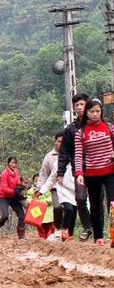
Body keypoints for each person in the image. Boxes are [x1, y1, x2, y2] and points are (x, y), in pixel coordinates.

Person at [73, 97, 114, 246]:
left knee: (112, 203)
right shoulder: (80, 133)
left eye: (98, 111)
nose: (96, 114)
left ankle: (113, 234)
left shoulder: (109, 127)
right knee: (96, 206)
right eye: (92, 111)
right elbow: (78, 155)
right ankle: (98, 237)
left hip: (110, 171)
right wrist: (79, 174)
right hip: (92, 174)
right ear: (87, 112)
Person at [57, 93, 93, 241]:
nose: (79, 108)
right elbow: (64, 152)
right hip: (79, 170)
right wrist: (60, 171)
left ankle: (100, 233)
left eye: (82, 104)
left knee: (97, 200)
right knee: (80, 198)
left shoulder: (96, 125)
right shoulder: (70, 130)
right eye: (76, 105)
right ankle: (87, 227)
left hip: (97, 167)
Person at [35, 131, 64, 229]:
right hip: (55, 187)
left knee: (69, 209)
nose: (60, 144)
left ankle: (67, 230)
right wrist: (39, 187)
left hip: (68, 186)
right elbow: (43, 174)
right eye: (59, 141)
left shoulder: (69, 154)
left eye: (63, 142)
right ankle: (59, 229)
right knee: (57, 207)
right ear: (55, 141)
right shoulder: (49, 156)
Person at [0, 156, 25, 239]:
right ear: (8, 163)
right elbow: (4, 188)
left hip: (14, 197)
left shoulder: (16, 171)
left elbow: (17, 181)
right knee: (5, 215)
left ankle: (21, 235)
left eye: (15, 163)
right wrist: (14, 191)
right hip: (4, 197)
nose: (14, 165)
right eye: (12, 163)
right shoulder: (4, 174)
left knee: (21, 215)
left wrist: (21, 188)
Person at [25, 174, 55, 240]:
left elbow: (52, 198)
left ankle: (50, 239)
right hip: (37, 212)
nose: (37, 182)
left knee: (51, 227)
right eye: (36, 181)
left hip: (49, 211)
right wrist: (34, 202)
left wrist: (42, 202)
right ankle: (43, 240)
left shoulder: (48, 189)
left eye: (39, 181)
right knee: (40, 228)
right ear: (33, 182)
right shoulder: (31, 191)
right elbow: (28, 199)